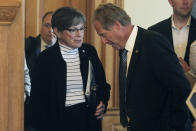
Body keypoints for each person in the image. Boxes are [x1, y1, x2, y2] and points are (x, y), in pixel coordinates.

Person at [93, 3, 191, 131]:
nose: (104, 41)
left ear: (117, 25)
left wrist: (175, 127)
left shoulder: (152, 42)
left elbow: (181, 88)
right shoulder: (124, 50)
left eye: (103, 34)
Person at [29, 7, 110, 131]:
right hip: (58, 123)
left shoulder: (89, 52)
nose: (79, 34)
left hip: (88, 120)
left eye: (81, 28)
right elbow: (38, 101)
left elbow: (103, 85)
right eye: (73, 30)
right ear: (57, 31)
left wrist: (103, 103)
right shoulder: (45, 59)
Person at [148, 0, 196, 89]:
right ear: (170, 1)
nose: (185, 2)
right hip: (163, 99)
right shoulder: (153, 32)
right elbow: (148, 73)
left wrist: (190, 74)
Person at [25, 11, 56, 78]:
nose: (51, 30)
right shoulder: (28, 45)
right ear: (41, 27)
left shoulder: (65, 49)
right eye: (47, 25)